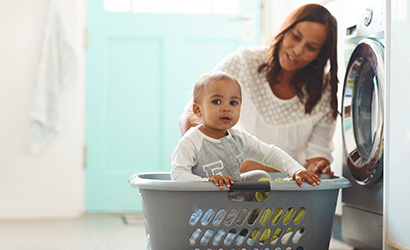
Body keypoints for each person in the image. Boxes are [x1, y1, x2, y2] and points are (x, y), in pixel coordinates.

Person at [179, 4, 338, 176]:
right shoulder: (243, 63)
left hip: (289, 185)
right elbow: (190, 117)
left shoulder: (323, 91)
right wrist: (208, 168)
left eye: (311, 47)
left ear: (320, 55)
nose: (298, 50)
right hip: (233, 181)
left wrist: (318, 166)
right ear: (284, 31)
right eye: (296, 36)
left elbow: (317, 155)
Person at [171, 71, 321, 192]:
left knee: (260, 177)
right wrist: (208, 183)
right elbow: (178, 175)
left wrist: (296, 170)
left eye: (233, 103)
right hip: (203, 208)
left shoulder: (238, 138)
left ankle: (258, 218)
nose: (226, 108)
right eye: (216, 101)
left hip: (233, 202)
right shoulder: (192, 140)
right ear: (198, 109)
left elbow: (270, 153)